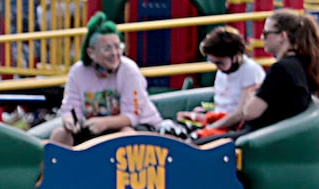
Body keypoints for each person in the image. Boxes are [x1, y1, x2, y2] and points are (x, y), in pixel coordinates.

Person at [207, 9, 319, 134]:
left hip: (259, 140)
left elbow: (250, 113)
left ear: (282, 36)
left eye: (266, 34)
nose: (262, 38)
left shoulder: (280, 69)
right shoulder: (302, 64)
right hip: (280, 137)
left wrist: (251, 94)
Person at [52, 12, 162, 147]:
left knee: (124, 134)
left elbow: (132, 116)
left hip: (138, 127)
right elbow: (70, 107)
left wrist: (104, 123)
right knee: (60, 135)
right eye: (107, 48)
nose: (114, 53)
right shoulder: (78, 72)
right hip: (94, 128)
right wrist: (69, 120)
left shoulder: (129, 70)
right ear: (91, 53)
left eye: (118, 47)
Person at [175, 27, 264, 127]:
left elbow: (240, 113)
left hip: (234, 124)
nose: (217, 67)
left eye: (220, 63)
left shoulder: (250, 71)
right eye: (213, 62)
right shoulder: (223, 70)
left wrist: (211, 127)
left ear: (236, 56)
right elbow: (220, 105)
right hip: (218, 118)